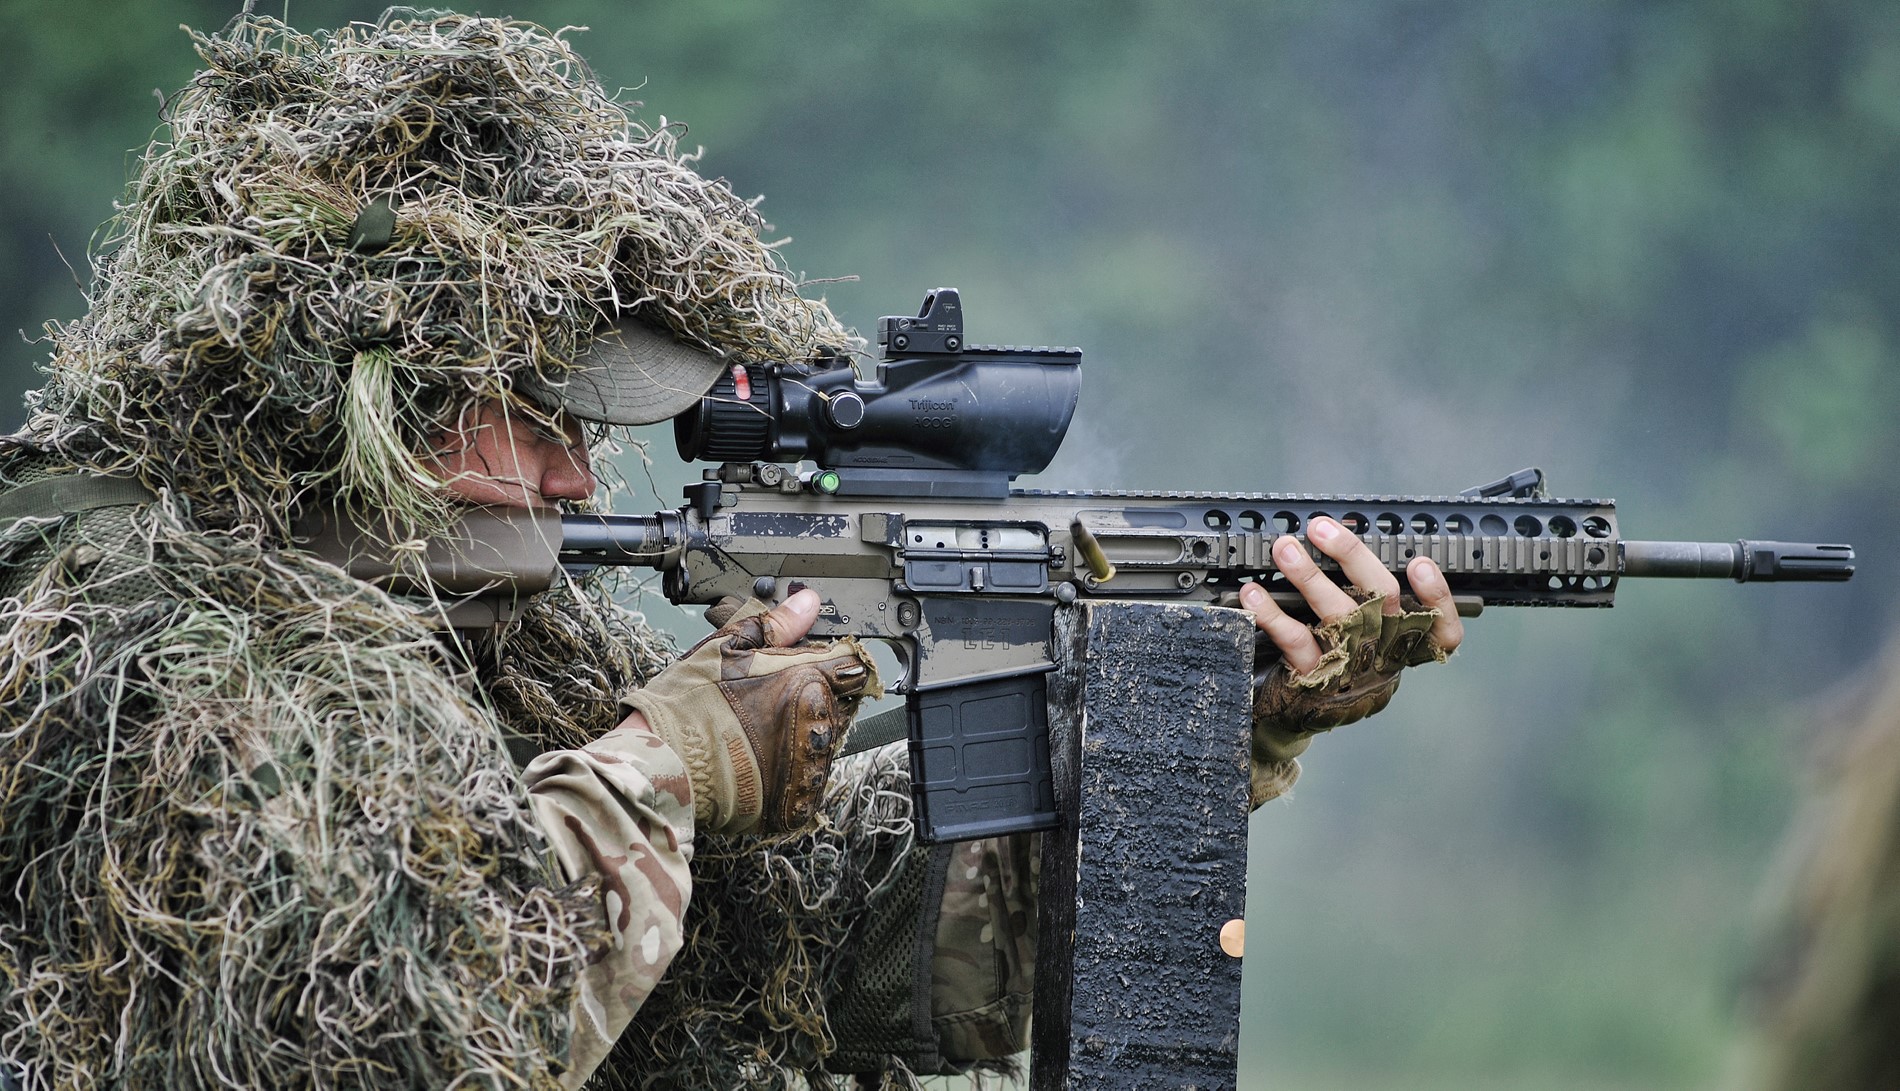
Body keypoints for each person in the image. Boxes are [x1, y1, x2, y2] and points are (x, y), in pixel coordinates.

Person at [0, 12, 1461, 1090]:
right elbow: (401, 1034)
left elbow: (825, 967)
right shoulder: (154, 645)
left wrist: (1207, 715)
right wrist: (670, 760)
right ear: (368, 395)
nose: (582, 472)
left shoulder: (493, 627)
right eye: (539, 415)